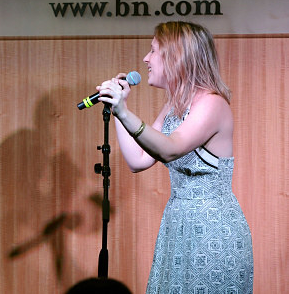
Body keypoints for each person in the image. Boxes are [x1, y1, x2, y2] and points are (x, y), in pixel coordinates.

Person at [96, 21, 253, 293]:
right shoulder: (174, 104)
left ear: (177, 57)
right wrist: (119, 107)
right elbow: (138, 160)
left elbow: (170, 148)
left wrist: (124, 112)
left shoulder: (212, 104)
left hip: (211, 230)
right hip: (178, 225)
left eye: (153, 50)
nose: (146, 58)